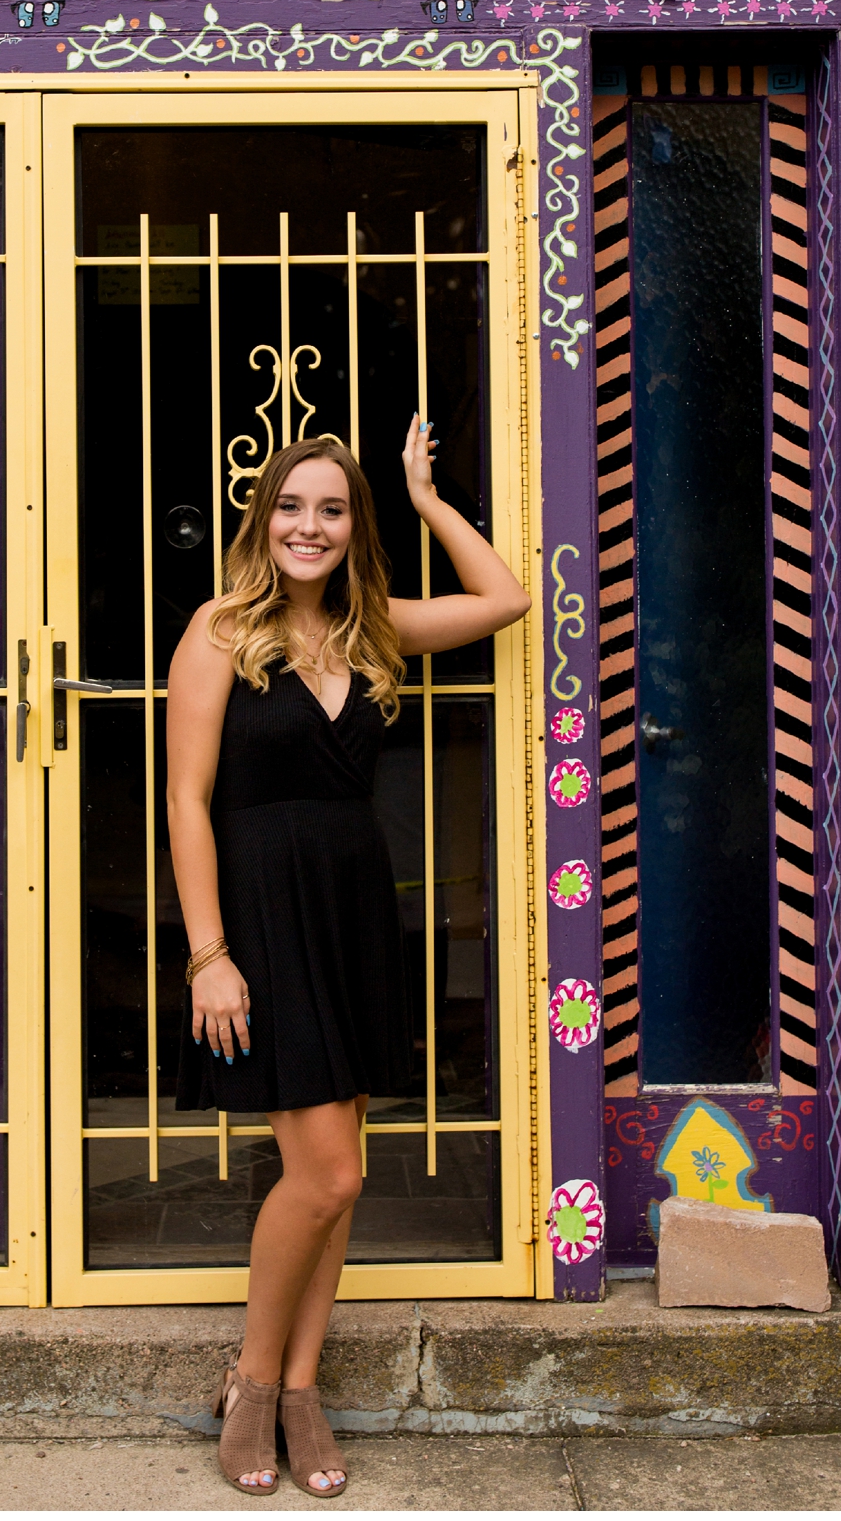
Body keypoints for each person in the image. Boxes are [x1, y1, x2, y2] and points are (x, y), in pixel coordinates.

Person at [168, 420, 529, 1496]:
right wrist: (207, 954)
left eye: (331, 509)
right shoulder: (220, 630)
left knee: (338, 1178)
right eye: (291, 506)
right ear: (262, 519)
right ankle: (252, 1379)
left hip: (355, 908)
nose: (308, 526)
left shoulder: (375, 632)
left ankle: (303, 1385)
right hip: (262, 915)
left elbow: (503, 598)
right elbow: (187, 802)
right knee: (326, 1172)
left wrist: (425, 500)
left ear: (351, 528)